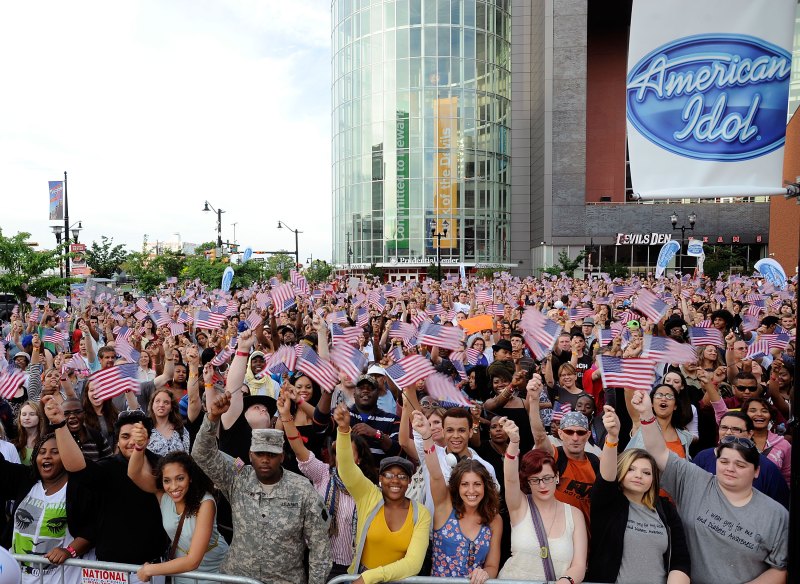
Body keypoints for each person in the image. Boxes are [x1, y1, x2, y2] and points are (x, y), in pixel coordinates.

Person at [631, 390, 788, 584]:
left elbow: (779, 568)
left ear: (756, 471)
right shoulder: (694, 481)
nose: (730, 469)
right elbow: (658, 451)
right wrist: (646, 414)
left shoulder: (776, 514)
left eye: (740, 465)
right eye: (724, 462)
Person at [192, 389, 331, 584]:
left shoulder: (301, 489)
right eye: (259, 454)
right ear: (250, 455)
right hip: (238, 579)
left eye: (272, 455)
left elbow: (320, 547)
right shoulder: (238, 478)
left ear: (282, 456)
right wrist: (213, 417)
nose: (265, 460)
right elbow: (201, 454)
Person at [46, 401, 169, 583]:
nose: (132, 442)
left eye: (137, 435)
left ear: (148, 438)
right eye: (125, 436)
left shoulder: (163, 467)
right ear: (117, 441)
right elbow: (76, 466)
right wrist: (59, 424)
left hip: (151, 569)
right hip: (109, 571)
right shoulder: (106, 468)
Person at [278, 393, 378, 578]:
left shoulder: (367, 488)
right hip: (318, 560)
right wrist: (285, 416)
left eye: (347, 451)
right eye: (337, 451)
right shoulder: (323, 473)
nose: (342, 456)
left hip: (352, 567)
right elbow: (299, 449)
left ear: (359, 459)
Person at [587, 406, 690, 583]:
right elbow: (605, 479)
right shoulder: (609, 504)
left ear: (653, 479)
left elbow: (680, 560)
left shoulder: (666, 509)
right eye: (631, 469)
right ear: (621, 472)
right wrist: (612, 438)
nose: (638, 476)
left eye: (646, 472)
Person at [333, 403, 431, 584]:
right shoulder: (369, 495)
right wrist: (343, 430)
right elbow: (346, 469)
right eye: (388, 475)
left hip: (391, 580)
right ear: (380, 479)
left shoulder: (421, 513)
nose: (395, 480)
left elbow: (413, 564)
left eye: (402, 476)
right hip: (358, 577)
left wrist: (370, 577)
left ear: (409, 481)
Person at [412, 410, 502, 584]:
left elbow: (491, 566)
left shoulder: (494, 519)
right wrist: (426, 436)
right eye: (465, 484)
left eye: (477, 484)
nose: (471, 490)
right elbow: (436, 475)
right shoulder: (445, 508)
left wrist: (485, 574)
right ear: (456, 487)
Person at [497, 418, 587, 583]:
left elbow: (579, 565)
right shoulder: (520, 505)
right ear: (528, 482)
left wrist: (566, 581)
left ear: (557, 477)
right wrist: (514, 442)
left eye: (547, 478)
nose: (542, 485)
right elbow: (509, 479)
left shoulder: (574, 514)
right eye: (535, 480)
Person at [127, 441, 228, 584]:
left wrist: (150, 570)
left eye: (180, 478)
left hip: (214, 571)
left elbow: (193, 561)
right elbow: (134, 473)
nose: (173, 487)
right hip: (181, 571)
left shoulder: (206, 503)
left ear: (190, 477)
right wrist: (139, 447)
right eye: (167, 480)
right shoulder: (163, 495)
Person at [0, 433, 94, 584]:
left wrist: (68, 551)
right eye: (42, 452)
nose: (47, 456)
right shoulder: (25, 480)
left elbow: (90, 531)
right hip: (21, 576)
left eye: (55, 452)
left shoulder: (79, 489)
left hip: (60, 577)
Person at [527, 375, 599, 524]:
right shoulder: (556, 456)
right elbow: (540, 437)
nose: (574, 437)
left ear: (587, 435)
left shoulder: (595, 462)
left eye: (580, 433)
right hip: (557, 535)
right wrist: (534, 400)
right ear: (560, 433)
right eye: (569, 432)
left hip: (587, 534)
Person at [691, 411, 789, 508]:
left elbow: (780, 506)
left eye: (736, 429)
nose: (728, 432)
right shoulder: (703, 457)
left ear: (750, 433)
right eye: (724, 427)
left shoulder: (766, 466)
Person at [146, 388, 191, 456]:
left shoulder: (181, 430)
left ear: (171, 408)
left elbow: (186, 458)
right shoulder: (145, 429)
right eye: (157, 401)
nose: (161, 405)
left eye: (166, 402)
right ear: (152, 405)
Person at [13, 401, 45, 465]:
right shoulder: (15, 440)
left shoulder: (45, 439)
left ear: (39, 417)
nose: (27, 418)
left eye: (32, 414)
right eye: (24, 414)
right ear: (19, 418)